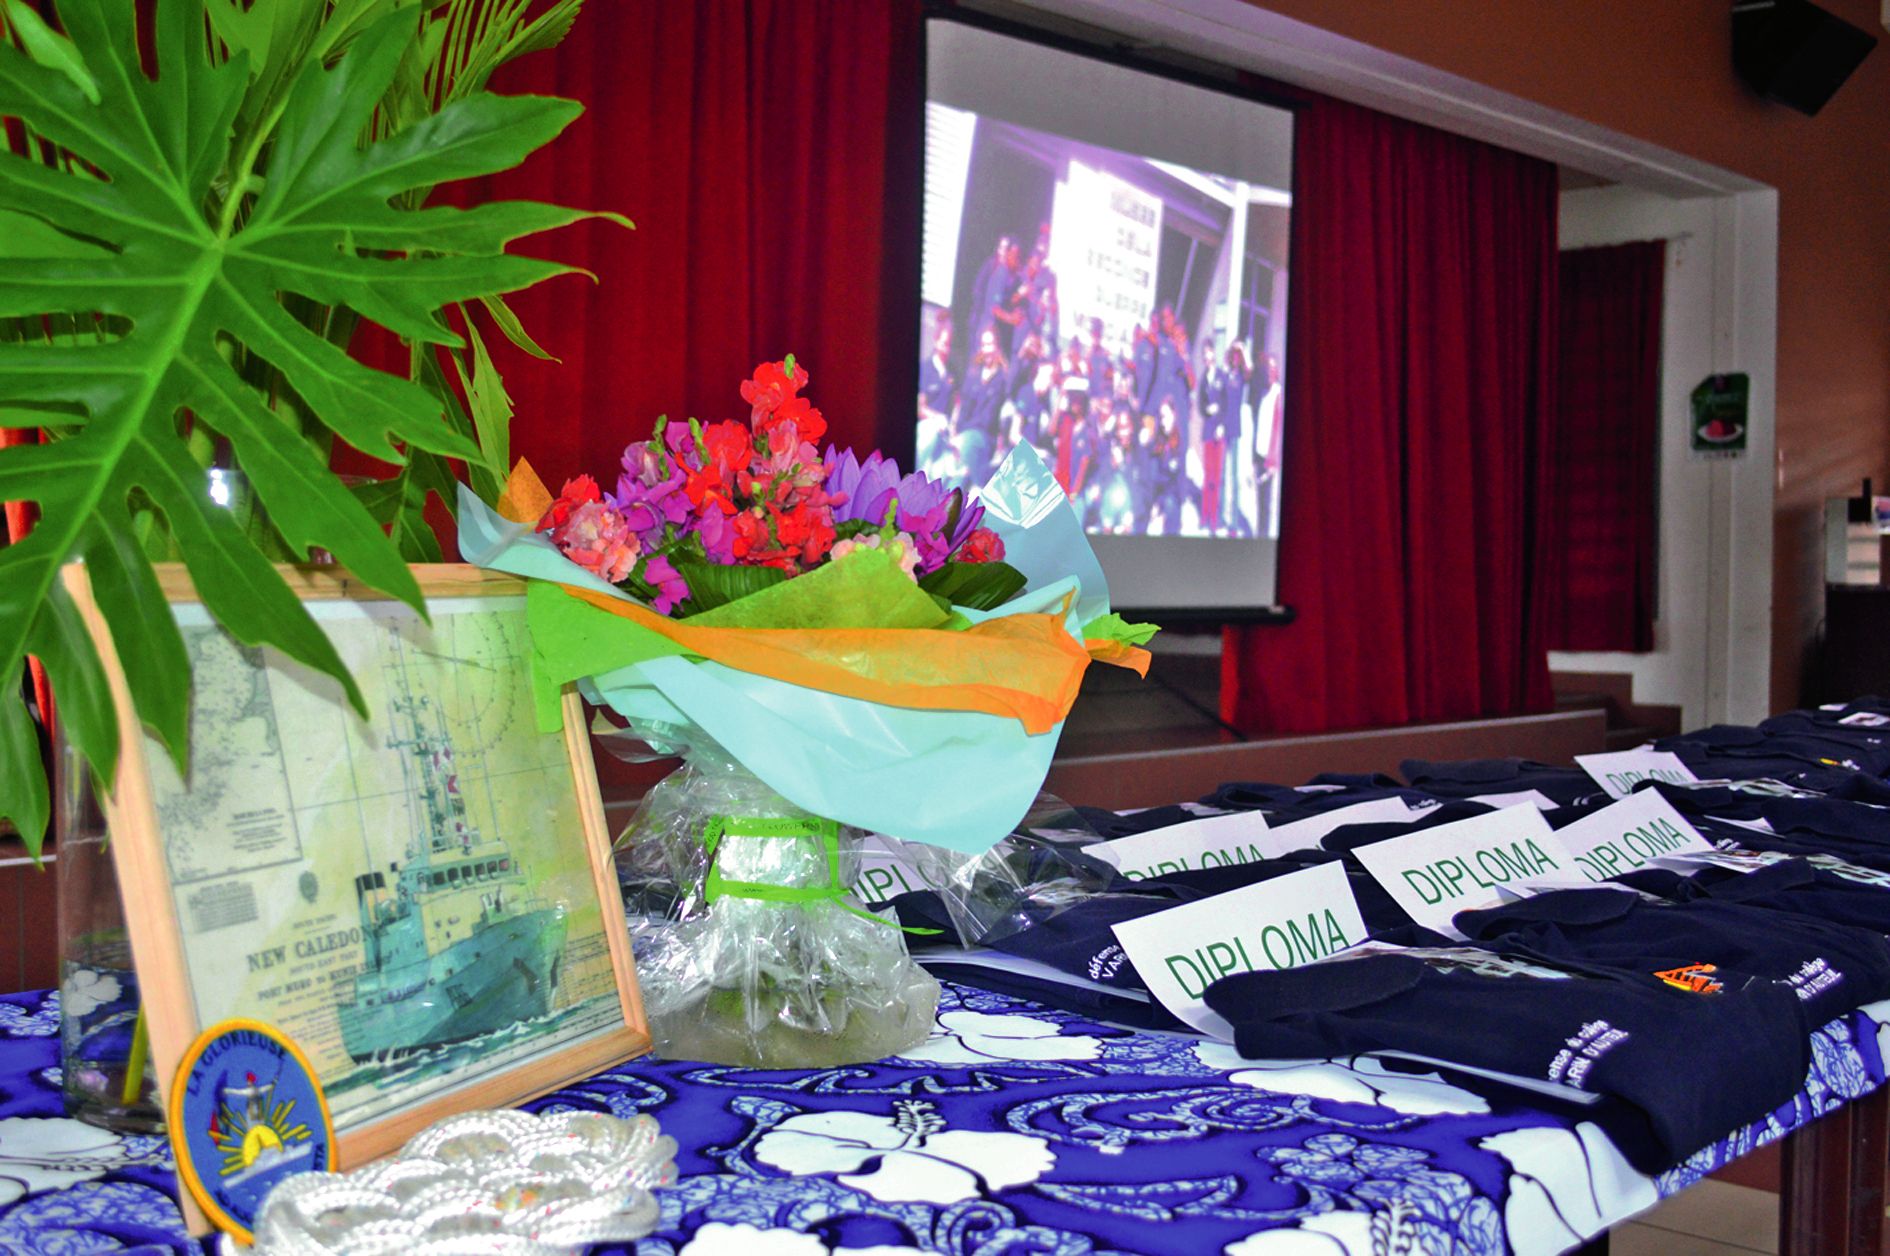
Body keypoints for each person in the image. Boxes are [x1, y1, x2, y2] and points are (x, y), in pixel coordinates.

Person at [955, 327, 1009, 483]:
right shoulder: (973, 374)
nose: (986, 349)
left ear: (997, 347)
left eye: (990, 344)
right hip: (963, 435)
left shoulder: (1001, 380)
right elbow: (964, 409)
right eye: (984, 345)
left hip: (984, 437)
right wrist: (956, 434)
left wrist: (962, 436)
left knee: (966, 446)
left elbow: (988, 419)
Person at [1223, 343, 1255, 537]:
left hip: (1235, 431)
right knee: (1223, 476)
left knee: (1234, 477)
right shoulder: (1226, 376)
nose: (1235, 358)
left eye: (1238, 356)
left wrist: (1243, 348)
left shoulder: (1242, 378)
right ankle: (1222, 517)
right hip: (1223, 430)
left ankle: (1233, 523)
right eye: (1233, 355)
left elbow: (1249, 369)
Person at [1196, 336, 1227, 535]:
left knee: (1217, 476)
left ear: (1214, 353)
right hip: (1208, 431)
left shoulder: (1222, 376)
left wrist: (1222, 423)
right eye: (1204, 355)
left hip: (1219, 432)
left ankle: (1215, 519)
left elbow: (1227, 403)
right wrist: (1208, 409)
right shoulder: (1203, 380)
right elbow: (1200, 405)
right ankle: (1204, 517)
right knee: (1207, 475)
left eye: (1209, 353)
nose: (1207, 358)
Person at [917, 320, 955, 471]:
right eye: (944, 343)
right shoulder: (925, 368)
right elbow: (920, 408)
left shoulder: (951, 372)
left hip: (944, 431)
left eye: (949, 345)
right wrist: (936, 418)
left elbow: (956, 404)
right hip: (926, 428)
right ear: (936, 341)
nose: (946, 349)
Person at [1254, 351, 1284, 535]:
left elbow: (1277, 430)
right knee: (1259, 500)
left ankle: (1263, 537)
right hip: (1259, 452)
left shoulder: (1278, 394)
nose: (1269, 373)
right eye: (1267, 369)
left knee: (1266, 503)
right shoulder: (1263, 392)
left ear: (1277, 371)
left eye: (1272, 369)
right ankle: (1259, 534)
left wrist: (1272, 462)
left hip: (1269, 458)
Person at [969, 236, 1015, 341]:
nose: (1004, 252)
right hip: (980, 317)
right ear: (998, 249)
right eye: (1002, 248)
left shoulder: (1007, 272)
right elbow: (978, 288)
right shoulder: (990, 266)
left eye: (1006, 249)